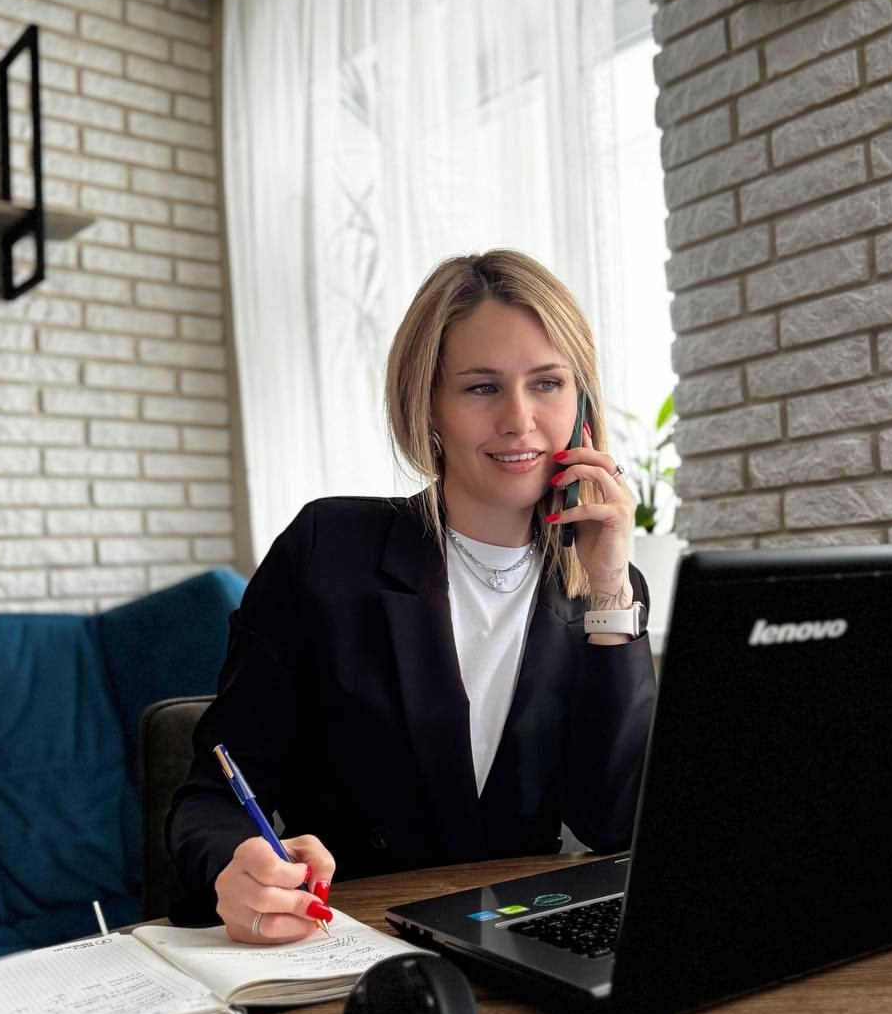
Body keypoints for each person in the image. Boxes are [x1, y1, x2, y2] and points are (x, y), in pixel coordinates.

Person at [166, 250, 658, 944]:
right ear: (427, 403)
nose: (520, 420)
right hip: (357, 939)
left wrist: (609, 590)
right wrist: (236, 865)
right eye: (482, 388)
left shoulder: (604, 584)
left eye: (547, 383)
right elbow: (214, 798)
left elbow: (616, 825)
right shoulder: (327, 551)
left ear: (580, 404)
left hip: (527, 937)